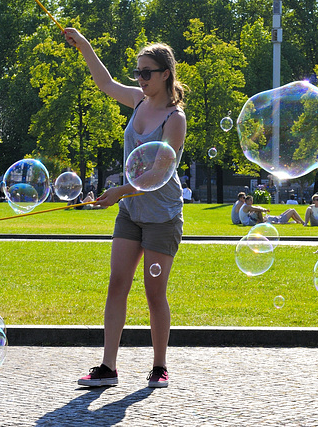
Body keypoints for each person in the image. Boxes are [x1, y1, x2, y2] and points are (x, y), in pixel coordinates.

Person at [65, 28, 186, 389]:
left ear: (165, 74)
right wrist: (85, 44)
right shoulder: (136, 101)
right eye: (137, 72)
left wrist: (119, 190)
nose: (140, 79)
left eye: (146, 72)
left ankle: (159, 365)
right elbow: (104, 82)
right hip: (131, 213)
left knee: (154, 293)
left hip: (162, 216)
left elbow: (158, 172)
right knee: (117, 284)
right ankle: (108, 367)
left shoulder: (174, 120)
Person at [240, 195, 304, 226]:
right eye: (250, 200)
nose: (252, 202)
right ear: (246, 201)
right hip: (279, 219)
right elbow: (256, 209)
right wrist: (264, 210)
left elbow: (256, 207)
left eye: (252, 200)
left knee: (290, 210)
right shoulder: (246, 206)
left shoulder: (245, 206)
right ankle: (303, 222)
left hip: (278, 217)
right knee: (292, 210)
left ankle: (298, 221)